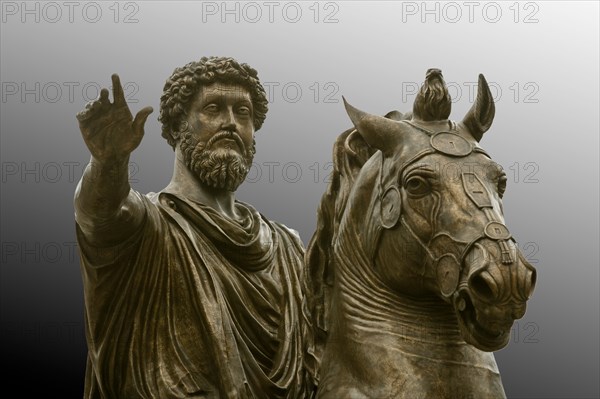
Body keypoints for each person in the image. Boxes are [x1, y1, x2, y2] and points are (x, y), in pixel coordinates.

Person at [74, 56, 315, 398]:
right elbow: (100, 216)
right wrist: (107, 163)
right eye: (214, 108)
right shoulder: (148, 227)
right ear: (176, 127)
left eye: (242, 113)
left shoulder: (288, 248)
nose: (231, 123)